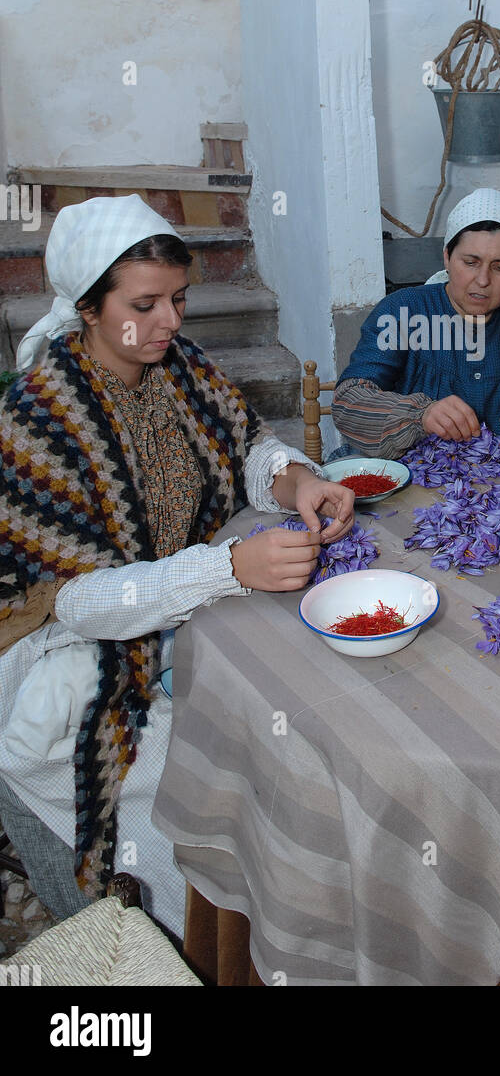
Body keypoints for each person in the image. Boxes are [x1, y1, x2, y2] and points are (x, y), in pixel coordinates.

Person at [0, 195, 354, 937]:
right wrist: (227, 568)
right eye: (146, 303)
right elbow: (78, 601)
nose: (172, 321)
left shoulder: (178, 367)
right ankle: (182, 921)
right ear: (89, 307)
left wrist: (298, 481)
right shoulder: (38, 418)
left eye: (180, 298)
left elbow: (249, 446)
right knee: (177, 760)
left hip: (182, 597)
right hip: (81, 635)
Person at [332, 189, 500, 459]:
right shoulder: (403, 313)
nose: (482, 280)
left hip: (495, 483)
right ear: (447, 257)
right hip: (411, 478)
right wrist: (420, 415)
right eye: (470, 262)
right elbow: (348, 403)